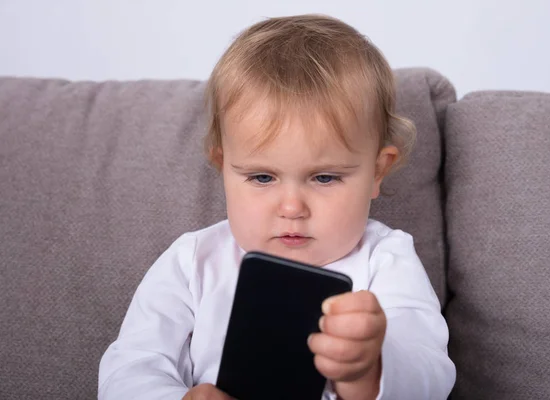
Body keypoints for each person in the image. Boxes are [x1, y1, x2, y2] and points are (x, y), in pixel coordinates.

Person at [98, 14, 455, 400]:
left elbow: (431, 372)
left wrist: (370, 371)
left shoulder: (385, 260)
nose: (291, 208)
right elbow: (130, 368)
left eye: (324, 178)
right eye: (262, 178)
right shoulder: (192, 262)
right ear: (223, 168)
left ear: (376, 172)